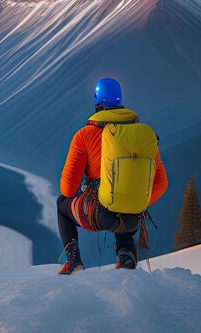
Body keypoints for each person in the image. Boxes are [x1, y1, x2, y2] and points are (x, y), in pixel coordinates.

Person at [57, 78, 168, 274]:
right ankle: (125, 253)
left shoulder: (85, 135)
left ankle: (73, 261)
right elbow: (161, 181)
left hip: (99, 214)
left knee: (62, 204)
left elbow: (67, 189)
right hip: (133, 219)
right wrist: (137, 202)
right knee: (122, 196)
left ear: (97, 100)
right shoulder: (141, 135)